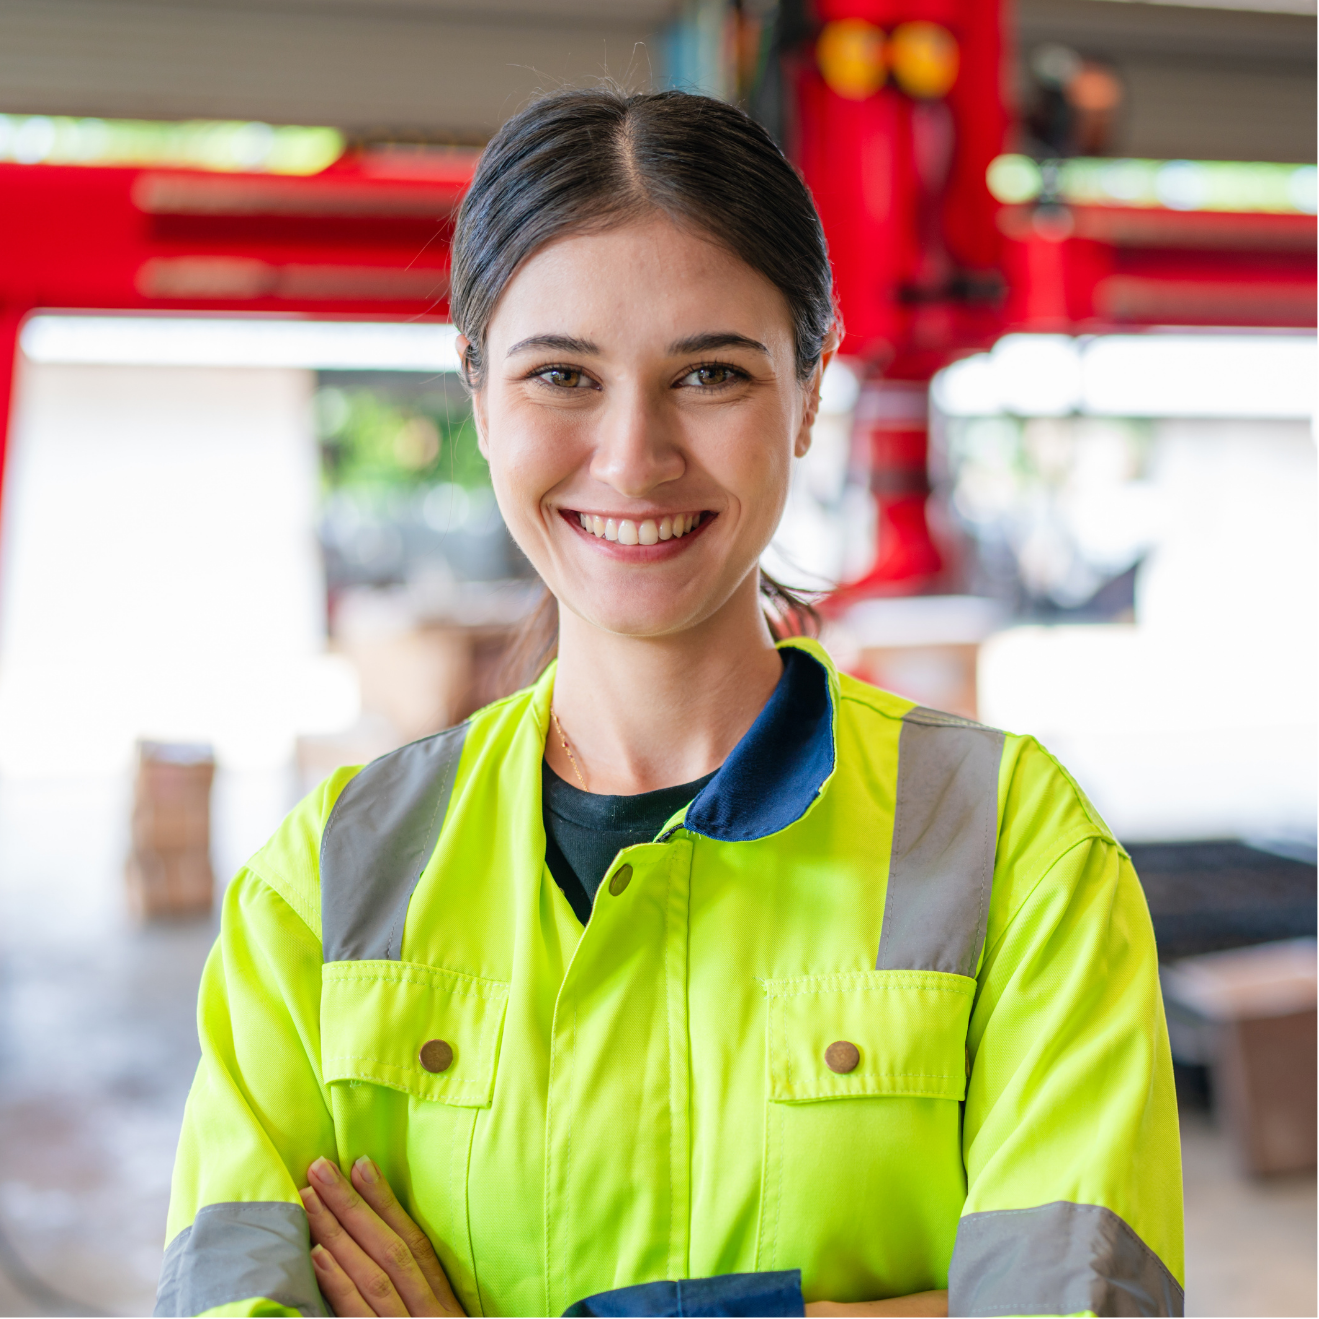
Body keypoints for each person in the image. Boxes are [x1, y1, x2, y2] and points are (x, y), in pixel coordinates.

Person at [154, 87, 1184, 1319]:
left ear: (807, 391)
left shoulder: (1018, 853)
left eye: (708, 372)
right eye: (561, 375)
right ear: (479, 395)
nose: (633, 456)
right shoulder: (322, 888)